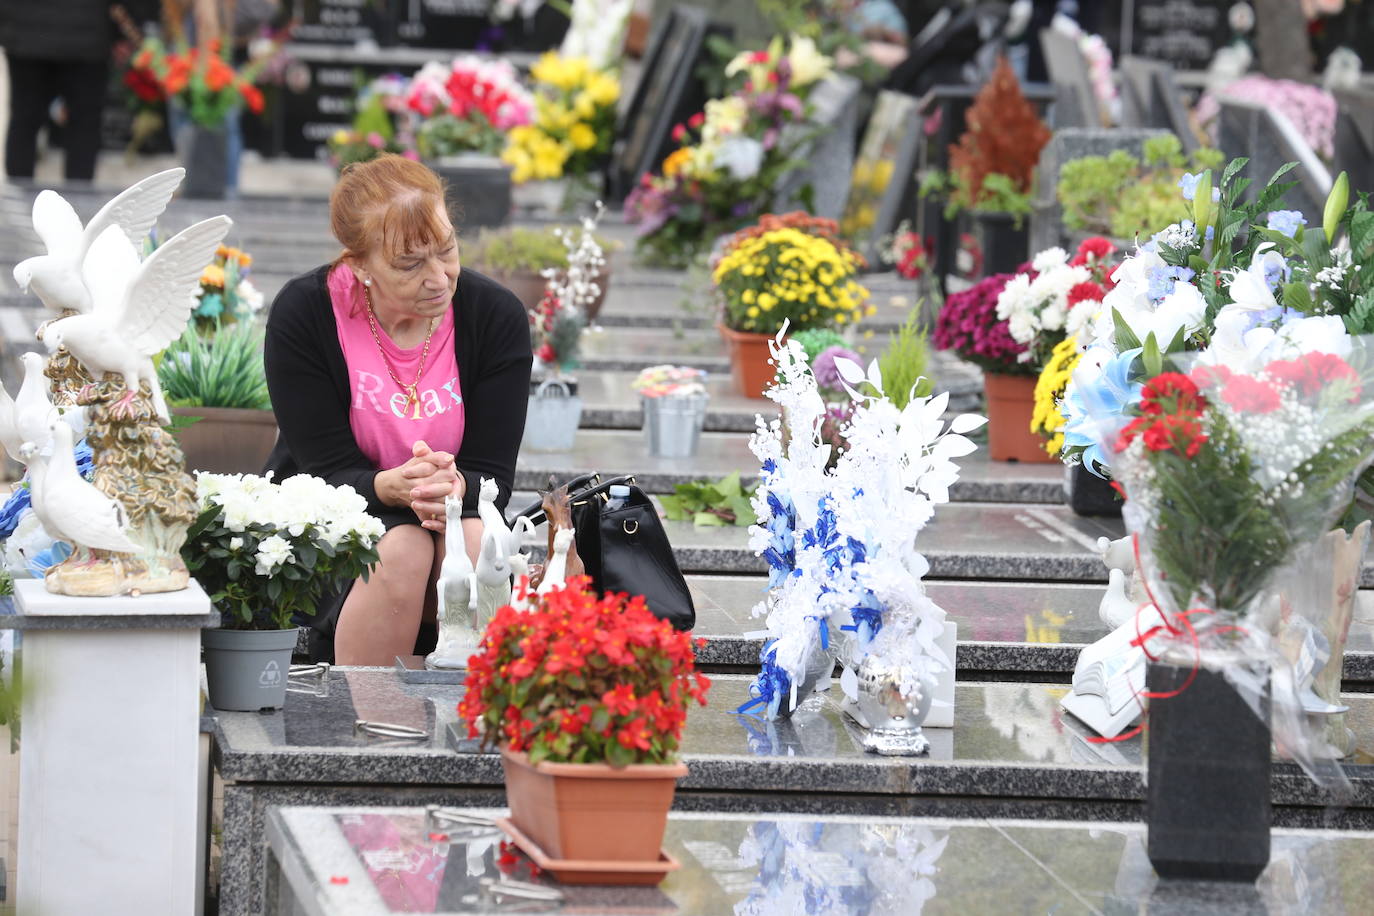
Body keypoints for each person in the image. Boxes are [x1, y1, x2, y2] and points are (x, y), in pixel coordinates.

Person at [264, 154, 532, 666]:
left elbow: (493, 474)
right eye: (410, 264)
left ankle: (484, 723)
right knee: (402, 548)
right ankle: (367, 726)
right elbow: (322, 471)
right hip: (329, 518)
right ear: (358, 263)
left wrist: (452, 488)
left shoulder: (493, 316)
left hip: (451, 513)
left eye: (447, 250)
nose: (438, 278)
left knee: (478, 546)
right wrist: (387, 487)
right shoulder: (306, 313)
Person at [1, 0, 127, 180]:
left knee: (24, 120)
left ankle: (18, 197)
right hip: (87, 31)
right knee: (84, 124)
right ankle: (79, 199)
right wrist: (123, 30)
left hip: (25, 32)